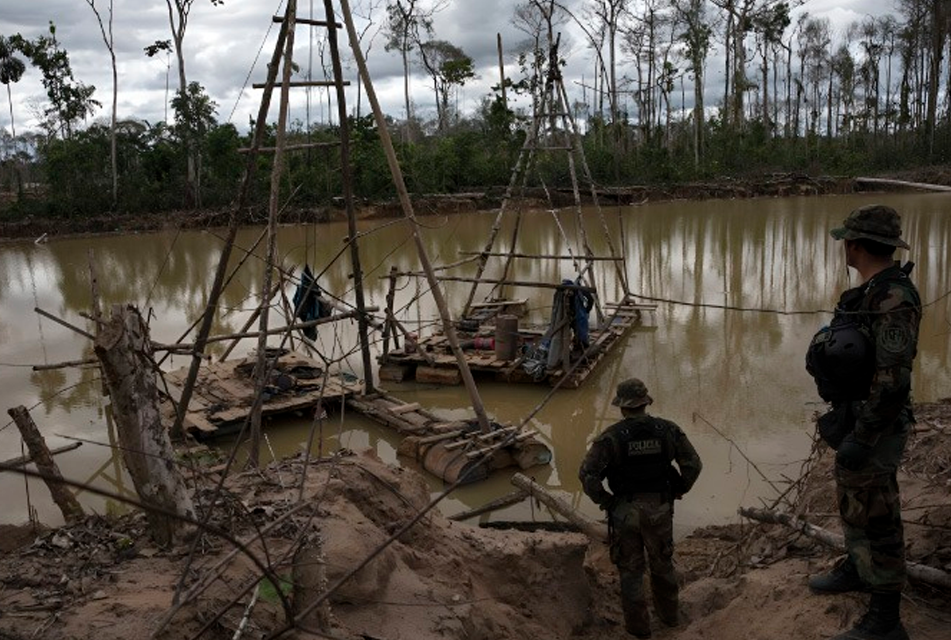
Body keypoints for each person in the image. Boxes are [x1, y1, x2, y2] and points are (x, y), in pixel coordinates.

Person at [805, 204, 920, 640]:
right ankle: (857, 565)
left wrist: (865, 436)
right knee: (854, 504)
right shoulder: (869, 292)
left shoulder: (893, 299)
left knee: (880, 516)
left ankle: (886, 619)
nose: (843, 248)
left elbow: (893, 382)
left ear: (854, 245)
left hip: (877, 426)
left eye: (845, 241)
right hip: (855, 417)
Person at [578, 378, 702, 638]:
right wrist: (678, 489)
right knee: (662, 565)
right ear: (645, 403)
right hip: (659, 508)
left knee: (631, 572)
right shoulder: (668, 430)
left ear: (622, 408)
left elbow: (588, 475)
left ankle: (639, 631)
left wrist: (608, 501)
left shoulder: (610, 438)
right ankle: (670, 620)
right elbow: (692, 464)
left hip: (625, 511)